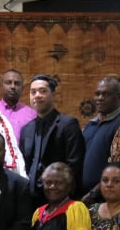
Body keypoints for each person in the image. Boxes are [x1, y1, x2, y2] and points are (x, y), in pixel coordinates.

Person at [19, 75, 85, 205]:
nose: (37, 95)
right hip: (30, 199)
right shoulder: (26, 129)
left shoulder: (68, 125)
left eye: (43, 91)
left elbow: (74, 164)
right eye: (33, 92)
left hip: (58, 197)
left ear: (53, 95)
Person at [80, 77, 120, 205]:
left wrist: (93, 194)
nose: (100, 98)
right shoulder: (90, 125)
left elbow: (119, 168)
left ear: (119, 96)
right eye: (97, 94)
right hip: (85, 197)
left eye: (106, 94)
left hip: (107, 200)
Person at [0, 68, 37, 139]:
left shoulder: (32, 114)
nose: (13, 86)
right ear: (1, 86)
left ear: (22, 88)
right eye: (8, 82)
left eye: (17, 83)